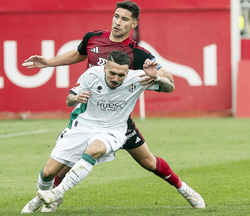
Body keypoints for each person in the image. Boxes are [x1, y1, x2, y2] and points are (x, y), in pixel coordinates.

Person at [22, 1, 205, 212]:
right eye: (116, 16)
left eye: (125, 19)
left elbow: (167, 78)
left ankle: (184, 189)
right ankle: (53, 198)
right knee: (63, 164)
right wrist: (48, 62)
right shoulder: (93, 38)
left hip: (118, 121)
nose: (118, 22)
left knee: (148, 162)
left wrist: (158, 76)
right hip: (89, 115)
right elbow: (79, 54)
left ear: (133, 24)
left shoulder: (137, 54)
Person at [22, 51, 182, 213]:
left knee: (95, 150)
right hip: (82, 127)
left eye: (121, 75)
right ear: (104, 67)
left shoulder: (138, 77)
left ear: (128, 73)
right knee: (48, 173)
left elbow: (170, 88)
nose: (115, 79)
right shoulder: (91, 75)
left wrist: (157, 78)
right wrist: (76, 99)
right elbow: (69, 99)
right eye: (112, 73)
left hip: (113, 130)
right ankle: (42, 198)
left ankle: (56, 193)